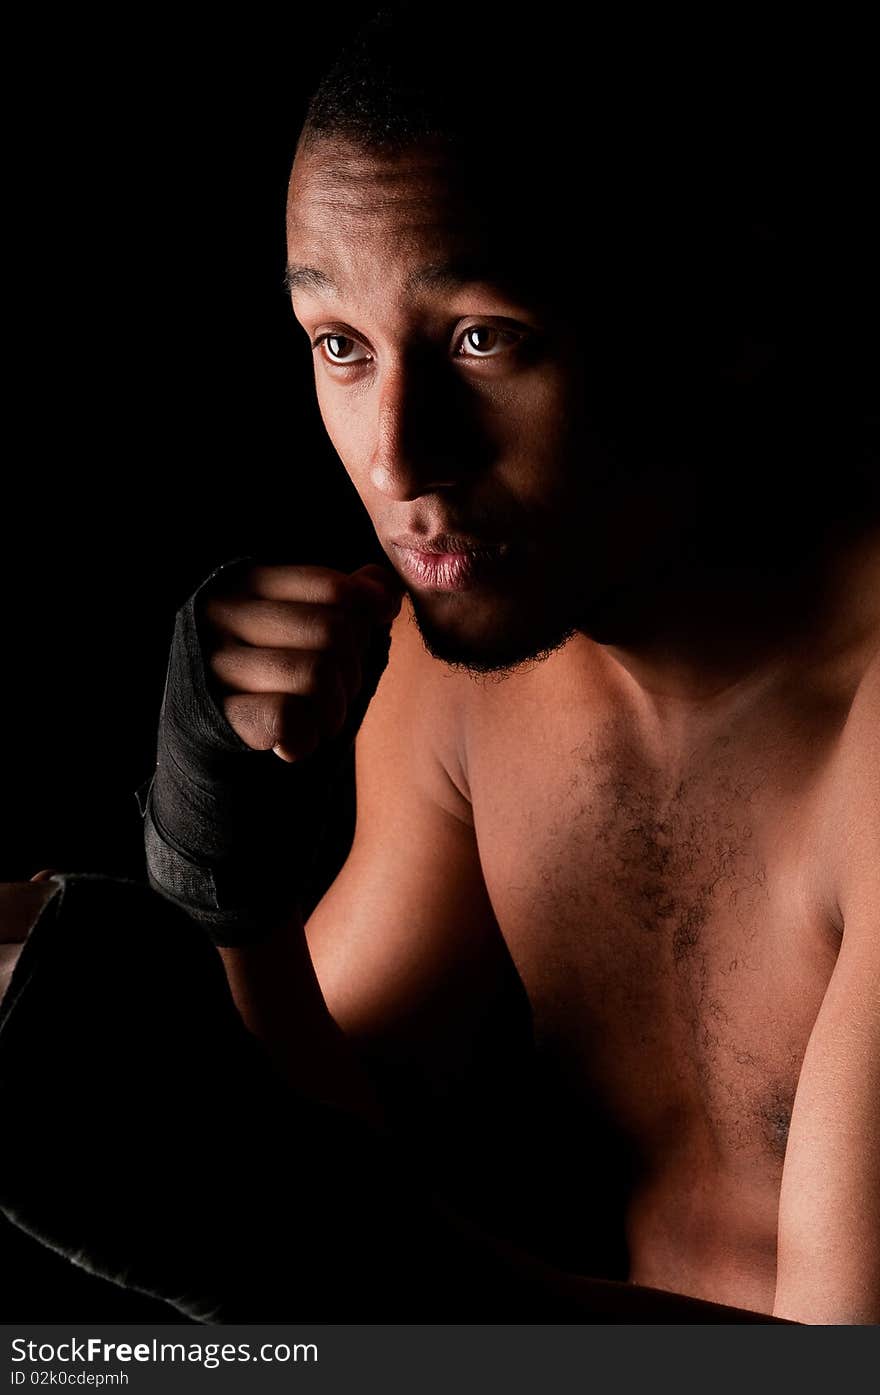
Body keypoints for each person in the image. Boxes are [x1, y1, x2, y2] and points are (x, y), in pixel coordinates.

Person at [2, 5, 877, 1323]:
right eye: (339, 348)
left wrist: (245, 1229)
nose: (399, 460)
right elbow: (336, 1143)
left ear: (725, 317)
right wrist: (219, 881)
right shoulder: (470, 670)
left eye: (483, 336)